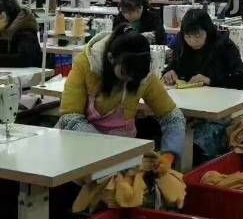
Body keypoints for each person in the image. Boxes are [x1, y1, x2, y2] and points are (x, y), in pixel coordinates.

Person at [58, 24, 185, 159]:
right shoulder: (85, 65)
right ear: (110, 58)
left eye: (136, 77)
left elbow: (172, 116)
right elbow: (69, 118)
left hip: (123, 152)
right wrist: (109, 150)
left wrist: (169, 155)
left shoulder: (142, 72)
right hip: (81, 151)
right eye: (124, 73)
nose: (130, 80)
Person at [163, 8, 243, 89]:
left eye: (198, 36)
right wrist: (168, 73)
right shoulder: (182, 44)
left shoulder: (224, 45)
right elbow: (172, 67)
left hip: (219, 97)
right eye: (188, 36)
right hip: (188, 96)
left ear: (208, 31)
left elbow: (242, 78)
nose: (192, 41)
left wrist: (209, 80)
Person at [0, 0, 41, 67]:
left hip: (31, 73)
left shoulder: (25, 28)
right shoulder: (4, 28)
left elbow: (25, 59)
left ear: (4, 16)